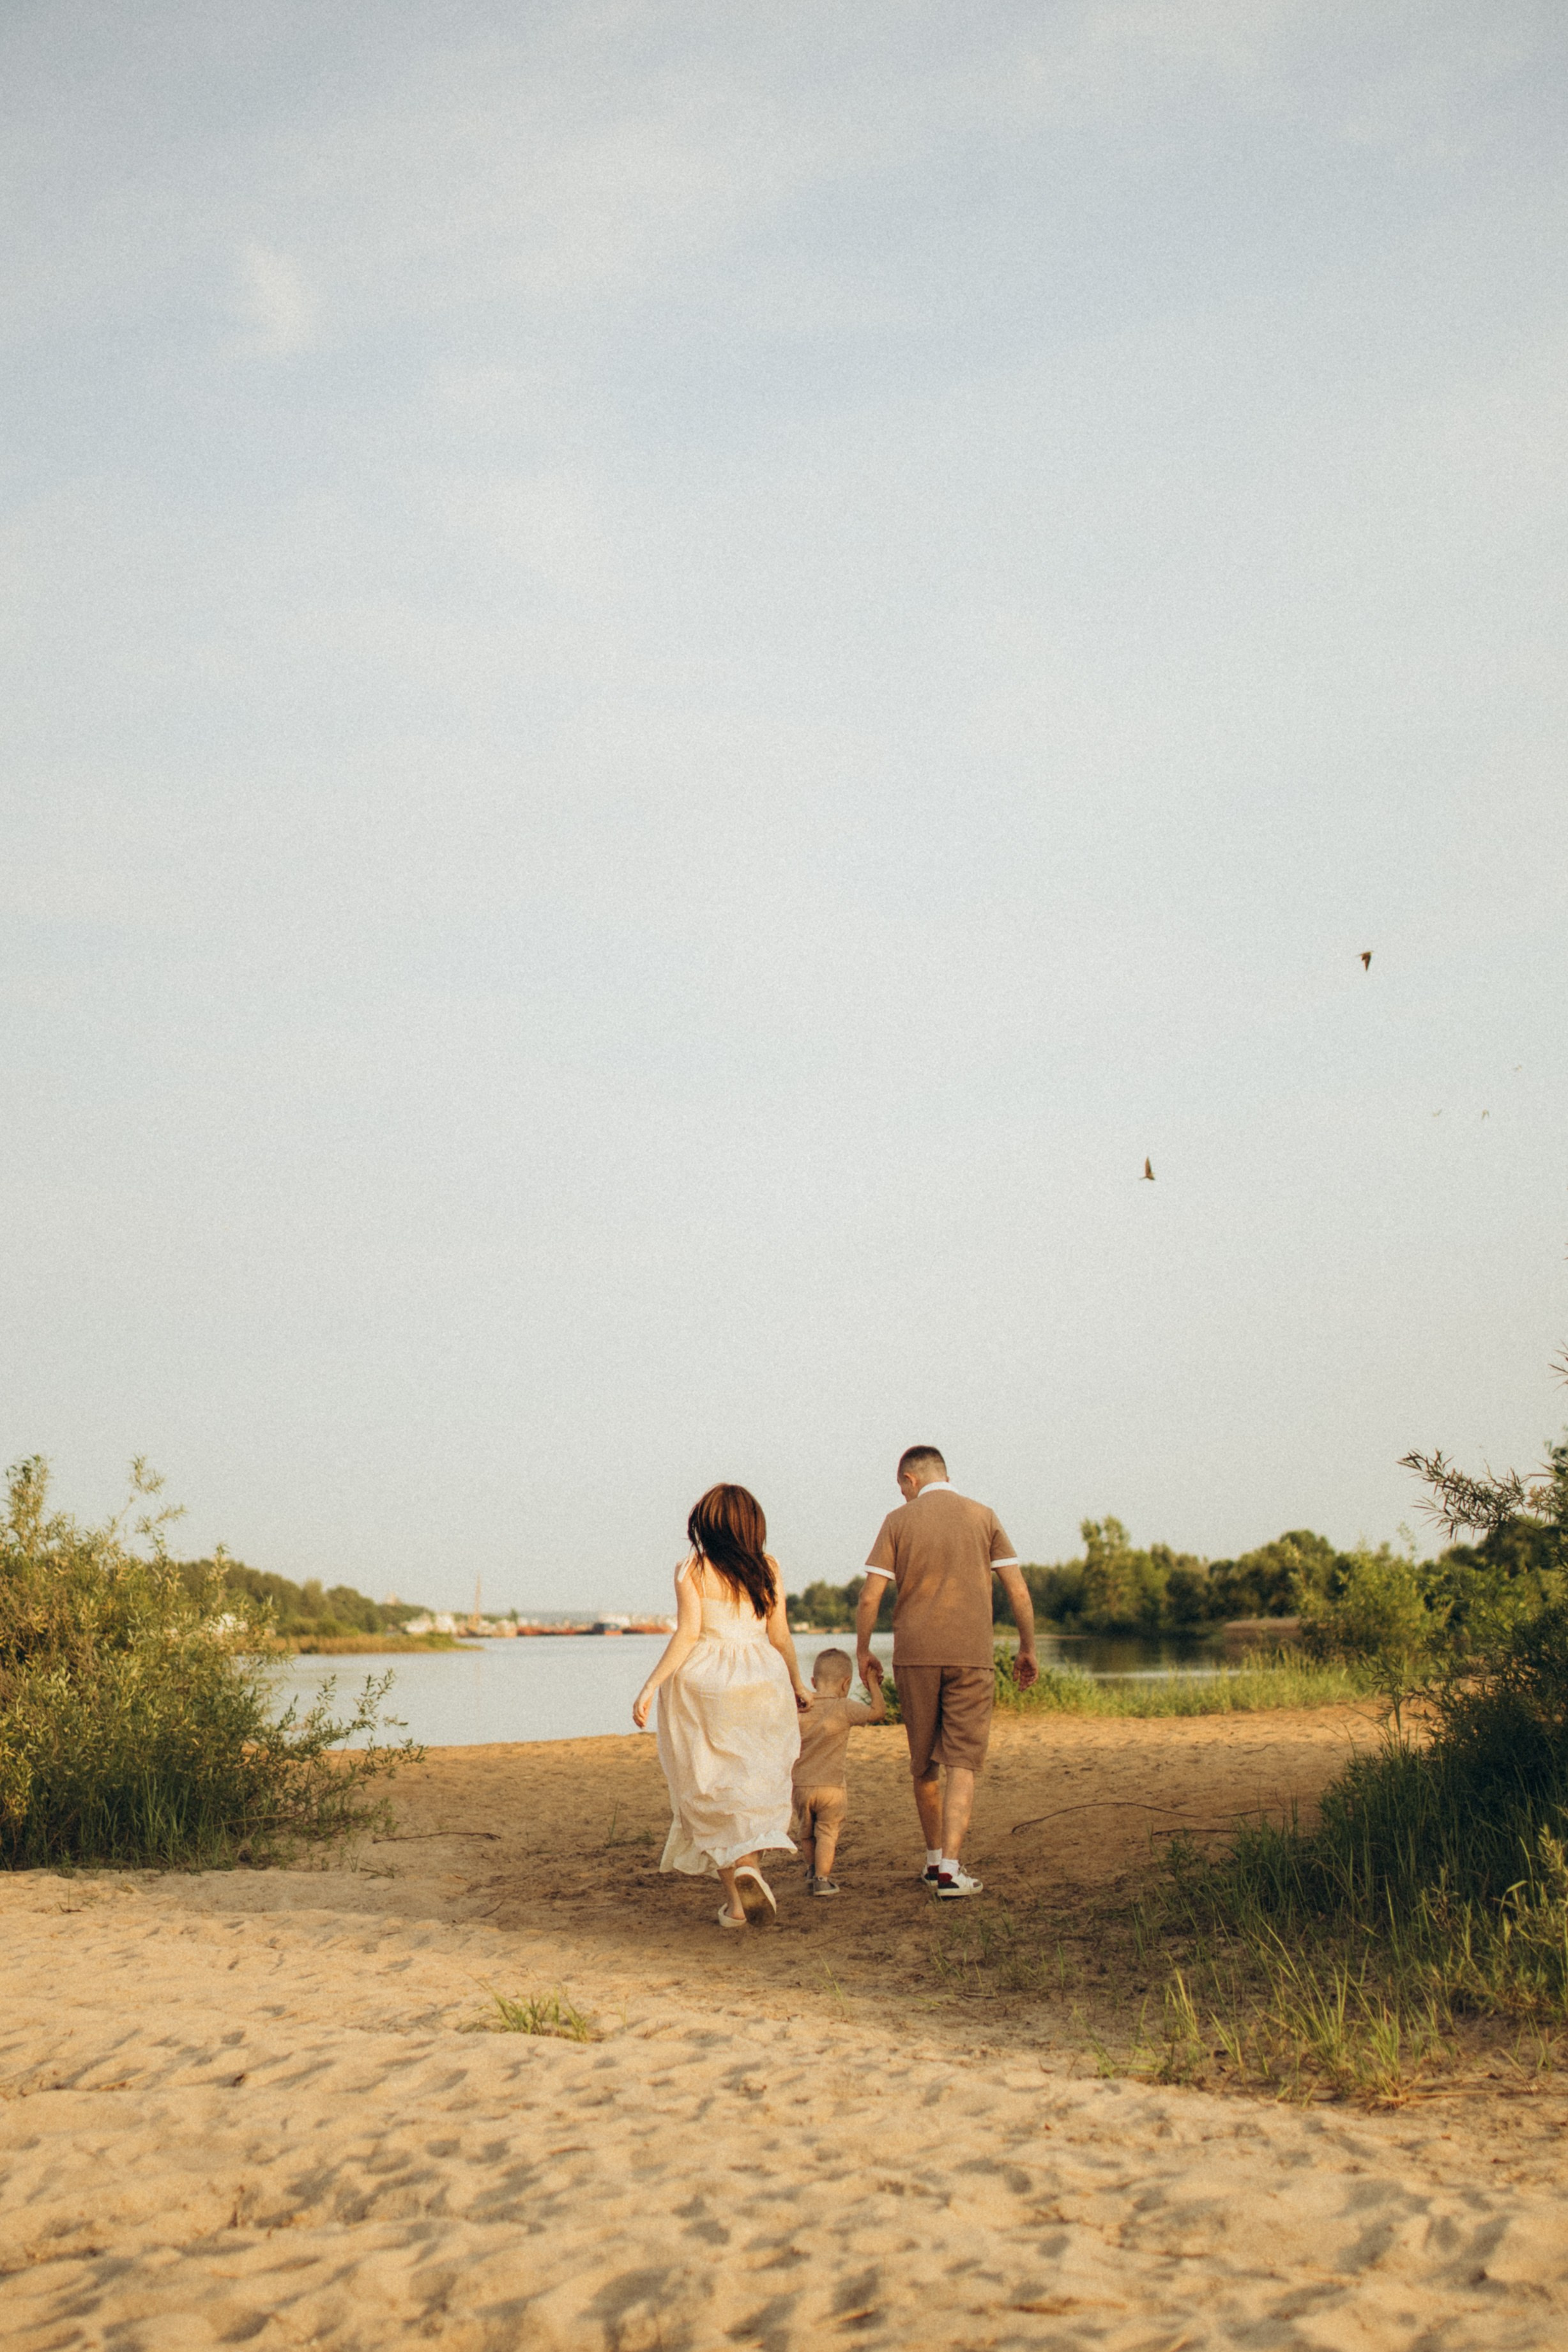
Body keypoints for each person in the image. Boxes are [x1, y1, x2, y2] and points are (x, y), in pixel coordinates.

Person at [856, 1445, 1037, 1899]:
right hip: (971, 1656)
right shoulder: (983, 1516)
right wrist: (1027, 1648)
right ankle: (951, 1871)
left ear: (910, 1479)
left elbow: (870, 1597)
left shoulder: (898, 1521)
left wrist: (863, 1650)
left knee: (924, 1764)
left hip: (914, 1654)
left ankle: (934, 1859)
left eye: (901, 1487)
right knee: (962, 1762)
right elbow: (1018, 1591)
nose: (901, 1495)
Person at [632, 1483, 811, 1930]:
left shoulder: (692, 1569)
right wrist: (797, 1682)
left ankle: (736, 1904)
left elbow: (687, 1634)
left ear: (705, 1524)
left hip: (705, 1681)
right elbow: (780, 1635)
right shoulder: (768, 1567)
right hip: (761, 1677)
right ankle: (748, 1873)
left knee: (713, 1787)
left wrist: (651, 1685)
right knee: (754, 1782)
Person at [790, 1646, 887, 1896]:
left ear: (813, 1682)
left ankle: (812, 1869)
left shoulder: (801, 1707)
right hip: (831, 1788)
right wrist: (873, 1685)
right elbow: (878, 1713)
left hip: (801, 1787)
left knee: (807, 1833)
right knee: (827, 1833)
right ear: (846, 1684)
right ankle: (822, 1880)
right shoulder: (844, 1707)